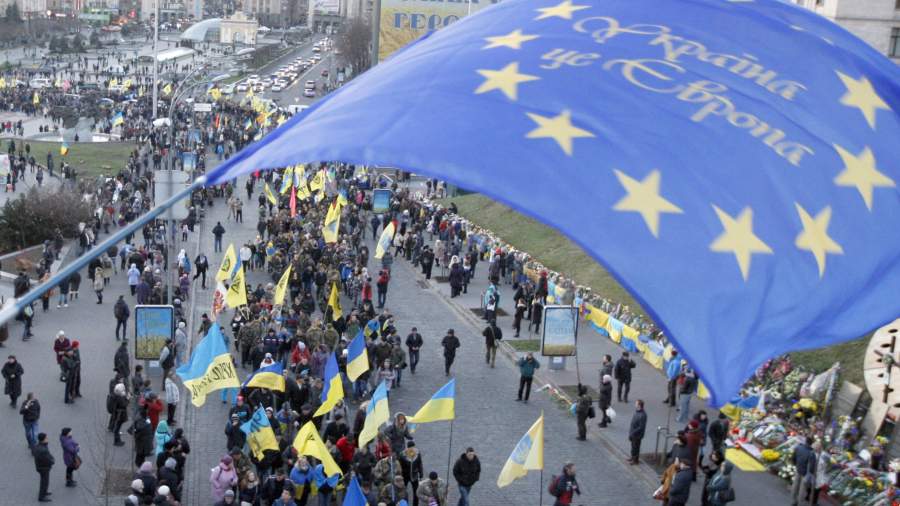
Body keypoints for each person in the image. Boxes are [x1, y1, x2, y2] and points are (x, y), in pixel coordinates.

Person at [791, 436, 815, 506]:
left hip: (798, 468)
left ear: (806, 441)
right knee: (802, 489)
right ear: (811, 443)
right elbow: (812, 466)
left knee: (795, 485)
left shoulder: (798, 447)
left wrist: (795, 464)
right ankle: (799, 503)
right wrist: (811, 473)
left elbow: (793, 457)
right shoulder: (811, 453)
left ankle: (793, 500)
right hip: (805, 473)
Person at [32, 432, 54, 502]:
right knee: (44, 482)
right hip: (44, 468)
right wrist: (52, 461)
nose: (48, 439)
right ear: (43, 439)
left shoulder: (38, 446)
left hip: (40, 467)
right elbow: (48, 459)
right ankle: (41, 497)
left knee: (44, 481)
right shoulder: (43, 450)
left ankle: (44, 492)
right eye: (46, 438)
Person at [629, 399, 648, 465]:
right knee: (633, 446)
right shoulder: (637, 412)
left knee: (636, 447)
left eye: (636, 403)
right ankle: (632, 457)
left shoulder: (643, 415)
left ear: (639, 405)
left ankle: (635, 460)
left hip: (637, 435)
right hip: (633, 433)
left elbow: (641, 427)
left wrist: (633, 432)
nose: (635, 404)